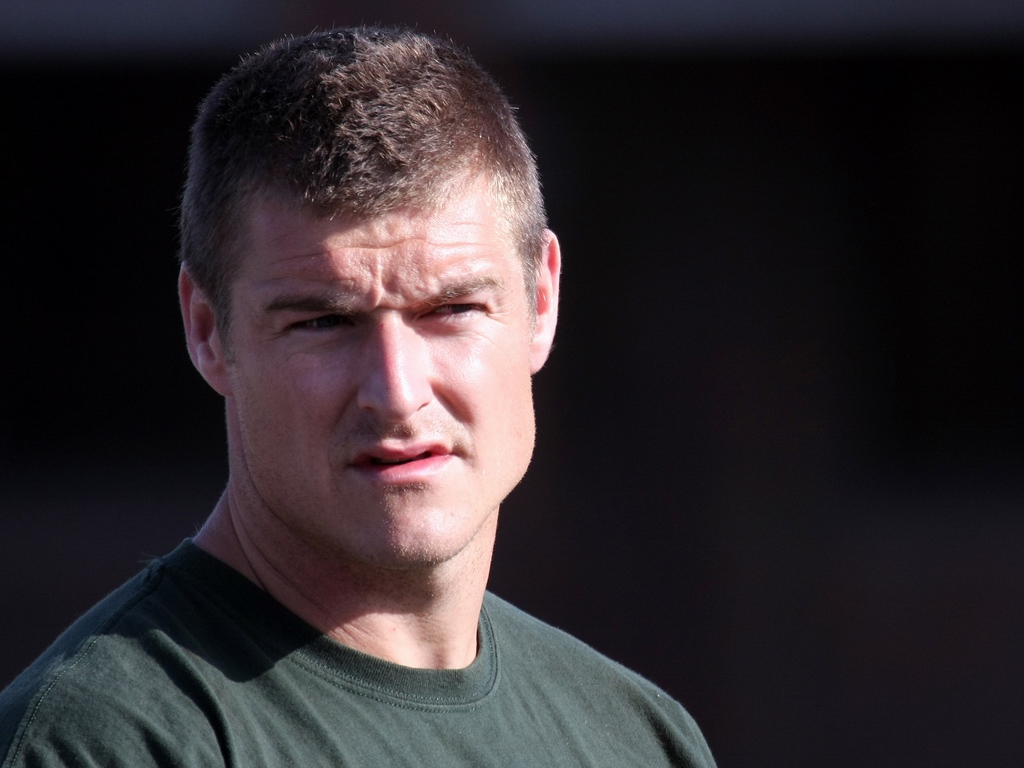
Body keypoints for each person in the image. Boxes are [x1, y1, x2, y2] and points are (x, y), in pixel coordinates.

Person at [0, 27, 716, 766]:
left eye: (451, 309)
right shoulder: (103, 742)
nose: (397, 394)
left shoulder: (640, 739)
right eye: (324, 322)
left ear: (541, 302)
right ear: (208, 330)